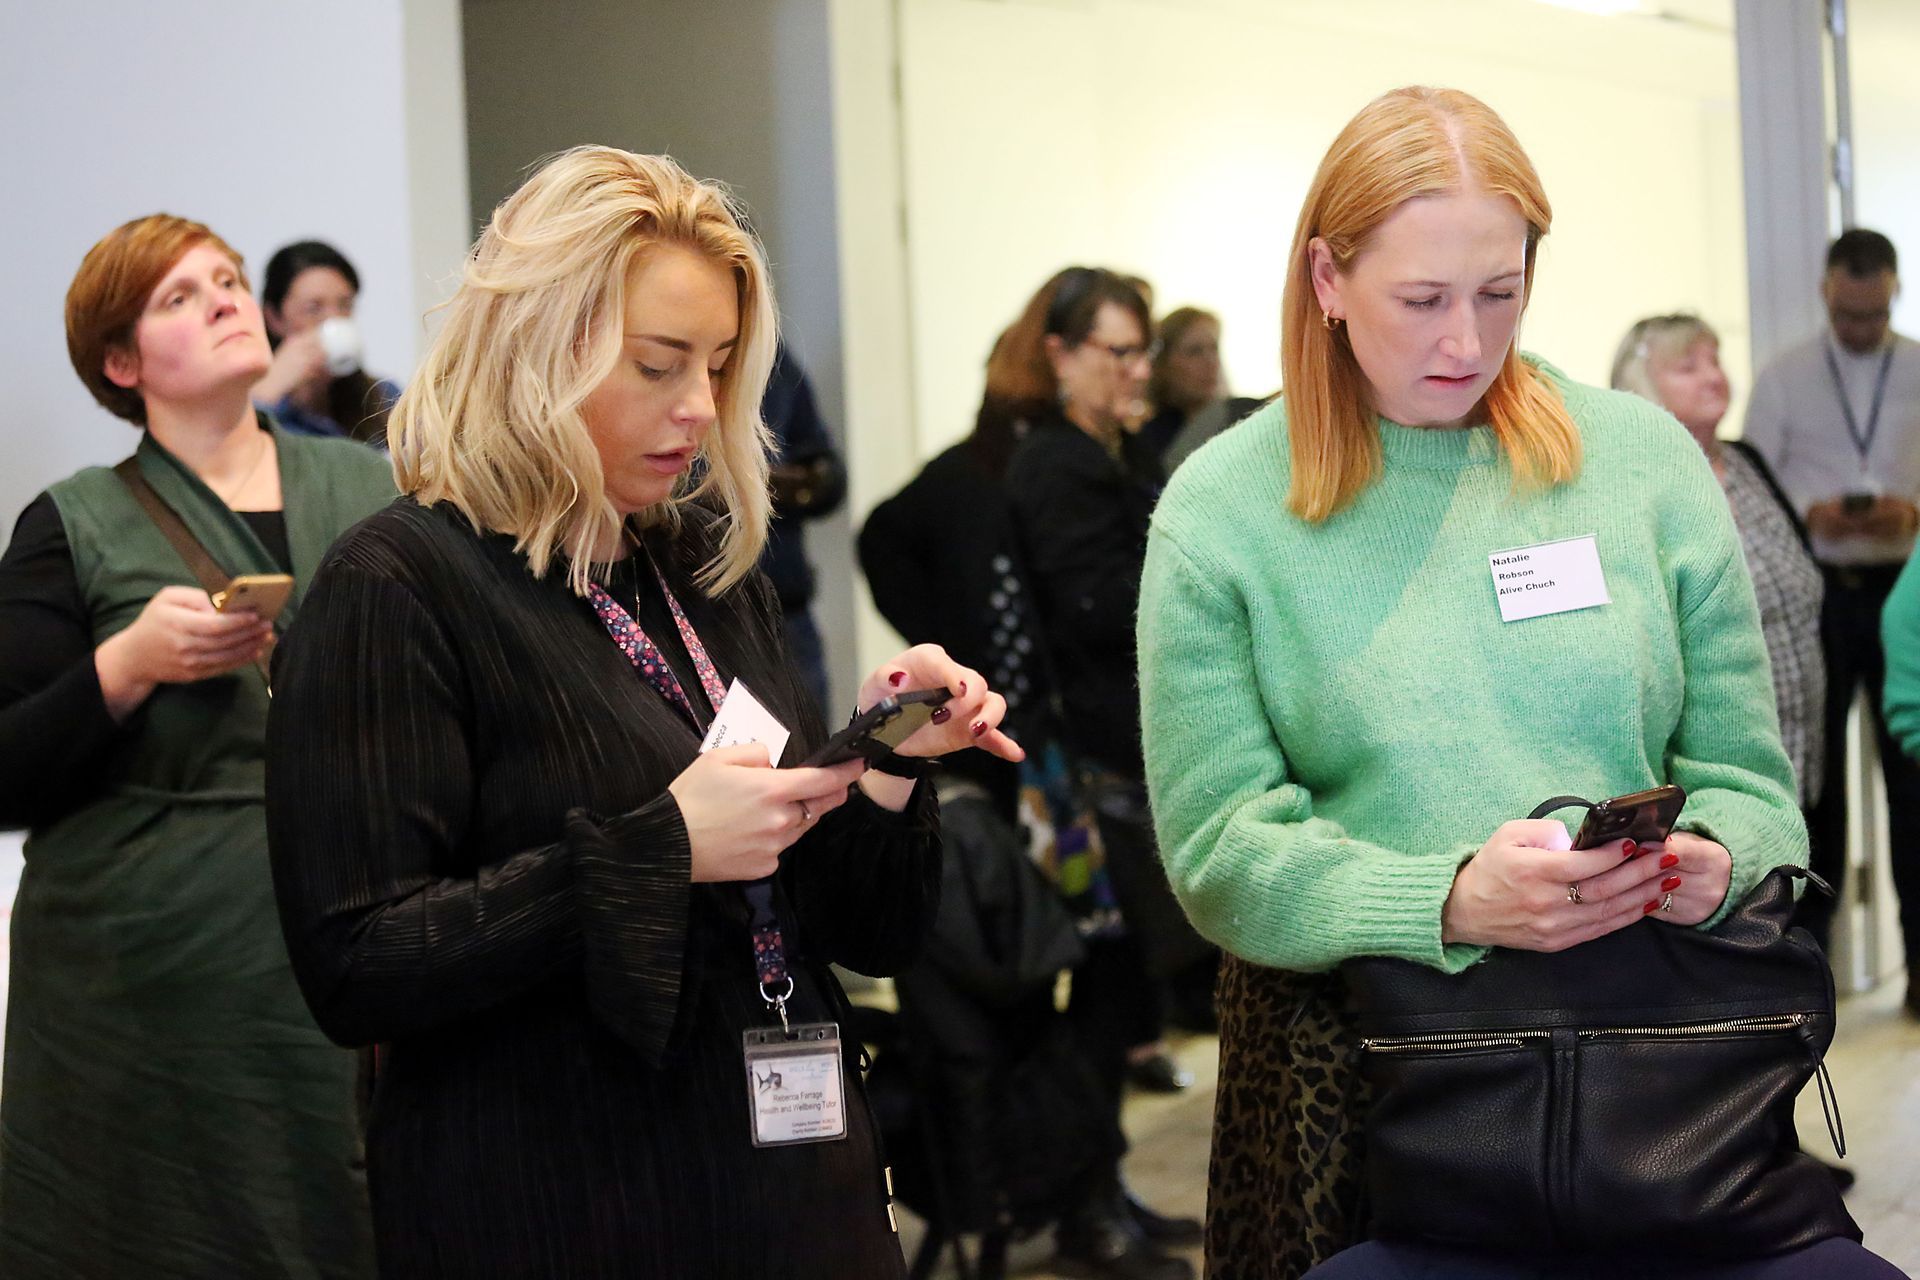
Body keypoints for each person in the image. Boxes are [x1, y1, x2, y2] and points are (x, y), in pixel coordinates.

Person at [1137, 87, 1897, 1280]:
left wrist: (1713, 860)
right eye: (1422, 300)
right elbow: (1219, 850)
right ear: (1327, 278)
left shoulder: (1641, 463)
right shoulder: (1224, 511)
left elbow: (1751, 780)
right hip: (1375, 1088)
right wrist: (1446, 899)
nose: (1466, 342)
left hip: (1657, 1072)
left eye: (1501, 291)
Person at [264, 146, 1021, 1279]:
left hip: (778, 1190)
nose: (700, 407)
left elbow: (859, 931)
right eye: (659, 365)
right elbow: (355, 962)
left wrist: (889, 755)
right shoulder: (399, 585)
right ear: (534, 352)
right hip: (560, 1201)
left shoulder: (703, 563)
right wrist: (659, 848)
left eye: (717, 365)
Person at [0, 214, 392, 1276]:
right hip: (139, 981)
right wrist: (124, 666)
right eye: (180, 296)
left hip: (344, 935)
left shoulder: (374, 491)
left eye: (226, 279)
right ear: (121, 364)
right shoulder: (73, 523)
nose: (224, 298)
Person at [1743, 230, 1920, 997]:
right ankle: (1812, 971)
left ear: (1895, 291)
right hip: (1820, 596)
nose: (1860, 327)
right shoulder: (1784, 378)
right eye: (1848, 314)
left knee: (1913, 783)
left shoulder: (1917, 367)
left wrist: (1910, 513)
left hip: (1904, 589)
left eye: (1874, 314)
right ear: (1826, 293)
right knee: (1816, 787)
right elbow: (1753, 484)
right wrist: (1814, 516)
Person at [1612, 315, 1825, 809]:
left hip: (1805, 748)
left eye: (1715, 360)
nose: (1713, 376)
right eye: (1689, 367)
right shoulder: (1637, 486)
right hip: (1715, 780)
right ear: (1641, 385)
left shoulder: (1748, 462)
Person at [760, 343, 847, 720]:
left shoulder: (773, 357)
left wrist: (763, 486)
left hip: (785, 612)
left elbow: (828, 476)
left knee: (814, 751)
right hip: (697, 611)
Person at [251, 239, 401, 444]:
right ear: (273, 318)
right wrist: (265, 395)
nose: (334, 320)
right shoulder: (258, 408)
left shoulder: (383, 398)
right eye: (313, 309)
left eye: (345, 305)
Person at [1138, 306, 1266, 474]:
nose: (1211, 362)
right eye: (1194, 352)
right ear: (1164, 363)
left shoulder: (1248, 417)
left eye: (1214, 348)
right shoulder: (1148, 442)